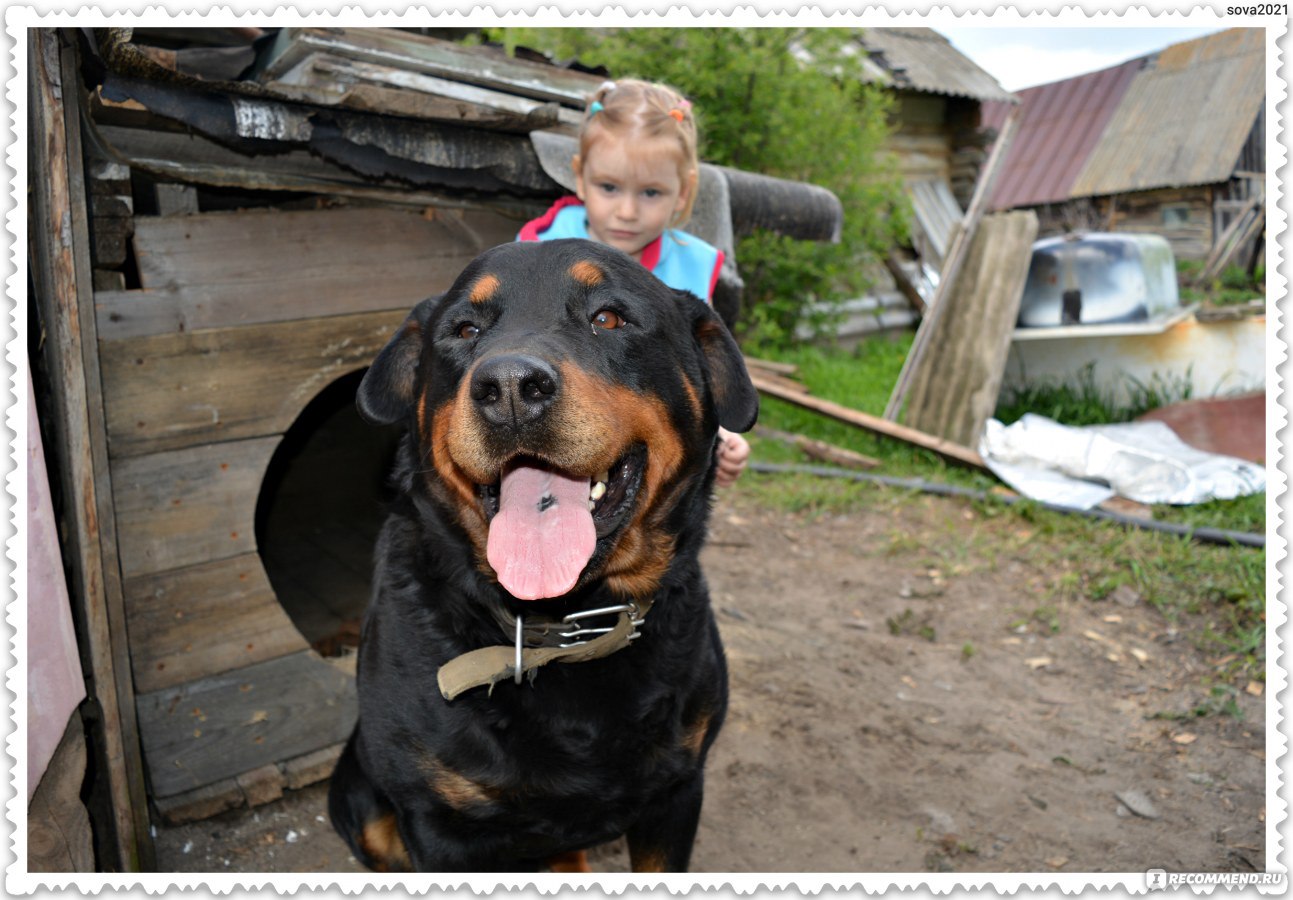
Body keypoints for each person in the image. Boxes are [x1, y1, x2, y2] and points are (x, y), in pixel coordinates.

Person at [519, 78, 750, 487]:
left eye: (650, 193)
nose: (626, 211)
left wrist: (722, 434)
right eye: (609, 187)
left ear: (683, 193)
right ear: (579, 176)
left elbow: (694, 375)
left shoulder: (689, 268)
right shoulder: (537, 251)